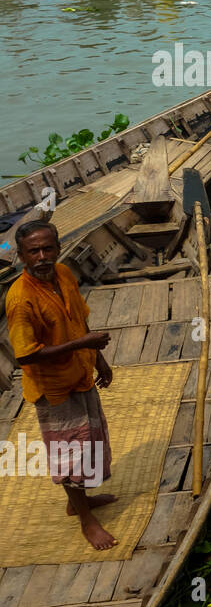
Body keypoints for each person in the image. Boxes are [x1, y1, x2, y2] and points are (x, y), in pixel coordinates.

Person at [6, 221, 116, 551]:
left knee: (90, 440)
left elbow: (79, 321)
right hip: (54, 390)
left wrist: (97, 358)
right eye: (33, 251)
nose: (42, 257)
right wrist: (83, 343)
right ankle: (86, 520)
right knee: (71, 453)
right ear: (22, 256)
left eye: (47, 249)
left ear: (57, 247)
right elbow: (26, 357)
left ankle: (78, 502)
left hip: (80, 375)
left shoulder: (64, 274)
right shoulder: (20, 299)